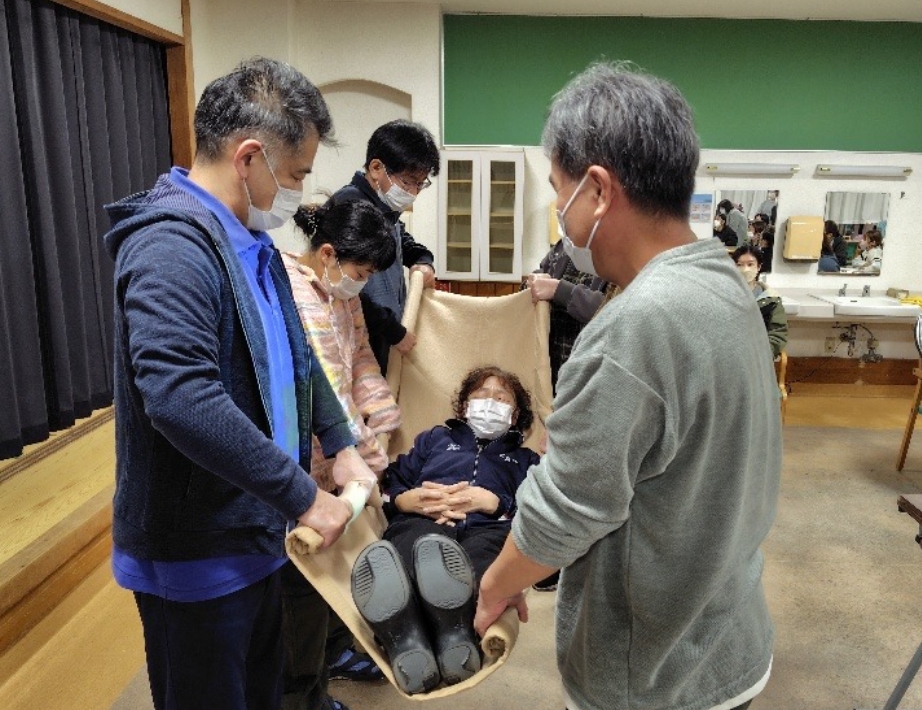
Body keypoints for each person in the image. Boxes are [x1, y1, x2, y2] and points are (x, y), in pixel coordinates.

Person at [473, 62, 781, 710]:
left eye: (559, 192)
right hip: (729, 641)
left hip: (654, 678)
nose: (560, 214)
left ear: (598, 190)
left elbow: (564, 513)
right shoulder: (724, 285)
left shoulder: (636, 327)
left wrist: (497, 584)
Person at [103, 57, 378, 710]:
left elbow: (299, 356)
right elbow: (180, 398)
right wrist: (304, 497)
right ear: (249, 157)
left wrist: (340, 442)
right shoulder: (172, 246)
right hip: (198, 556)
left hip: (257, 530)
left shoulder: (251, 242)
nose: (300, 193)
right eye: (297, 175)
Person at [280, 198, 403, 705]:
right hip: (308, 460)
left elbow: (361, 359)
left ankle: (334, 653)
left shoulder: (343, 297)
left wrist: (384, 414)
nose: (363, 283)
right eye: (361, 272)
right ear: (328, 253)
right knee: (306, 583)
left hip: (346, 457)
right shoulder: (286, 288)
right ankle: (305, 689)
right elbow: (320, 389)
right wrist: (367, 454)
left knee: (342, 568)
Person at [351, 366, 540, 695]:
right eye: (481, 395)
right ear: (465, 407)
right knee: (413, 546)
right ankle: (413, 634)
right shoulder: (435, 439)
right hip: (424, 521)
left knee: (489, 568)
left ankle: (442, 633)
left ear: (514, 416)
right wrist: (405, 500)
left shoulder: (526, 460)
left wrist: (498, 504)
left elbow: (538, 512)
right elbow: (392, 482)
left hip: (490, 530)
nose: (489, 402)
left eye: (501, 398)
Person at [333, 120, 441, 375]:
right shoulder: (352, 206)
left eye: (420, 184)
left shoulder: (385, 210)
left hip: (381, 333)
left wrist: (422, 259)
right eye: (407, 182)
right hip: (359, 336)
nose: (413, 193)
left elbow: (404, 241)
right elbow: (345, 285)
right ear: (376, 168)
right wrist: (393, 330)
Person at [733, 245, 790, 358]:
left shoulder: (771, 300)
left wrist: (762, 355)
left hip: (757, 357)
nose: (745, 269)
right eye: (740, 265)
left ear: (758, 267)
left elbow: (777, 333)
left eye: (750, 264)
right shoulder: (722, 295)